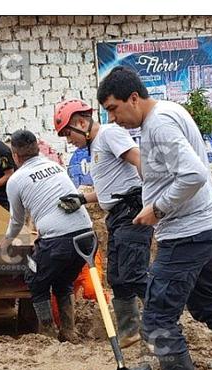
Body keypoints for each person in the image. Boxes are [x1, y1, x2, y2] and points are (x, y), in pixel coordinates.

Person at [96, 66, 212, 370]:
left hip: (187, 236)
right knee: (207, 302)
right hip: (209, 226)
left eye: (113, 108)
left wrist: (157, 208)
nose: (112, 119)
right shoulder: (167, 111)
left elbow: (193, 174)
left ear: (133, 98)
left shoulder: (159, 126)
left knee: (157, 321)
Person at [54, 98, 153, 348]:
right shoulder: (97, 146)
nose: (69, 140)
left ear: (81, 123)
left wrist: (152, 199)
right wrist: (82, 199)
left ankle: (162, 323)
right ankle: (129, 331)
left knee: (134, 273)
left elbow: (139, 159)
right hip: (117, 216)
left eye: (68, 133)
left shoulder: (109, 134)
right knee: (118, 276)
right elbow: (109, 189)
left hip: (132, 210)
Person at [0, 129, 93, 342]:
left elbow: (17, 220)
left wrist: (6, 241)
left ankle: (48, 334)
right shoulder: (55, 167)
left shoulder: (16, 180)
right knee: (63, 281)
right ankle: (69, 331)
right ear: (37, 149)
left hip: (59, 241)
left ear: (15, 155)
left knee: (34, 278)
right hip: (86, 237)